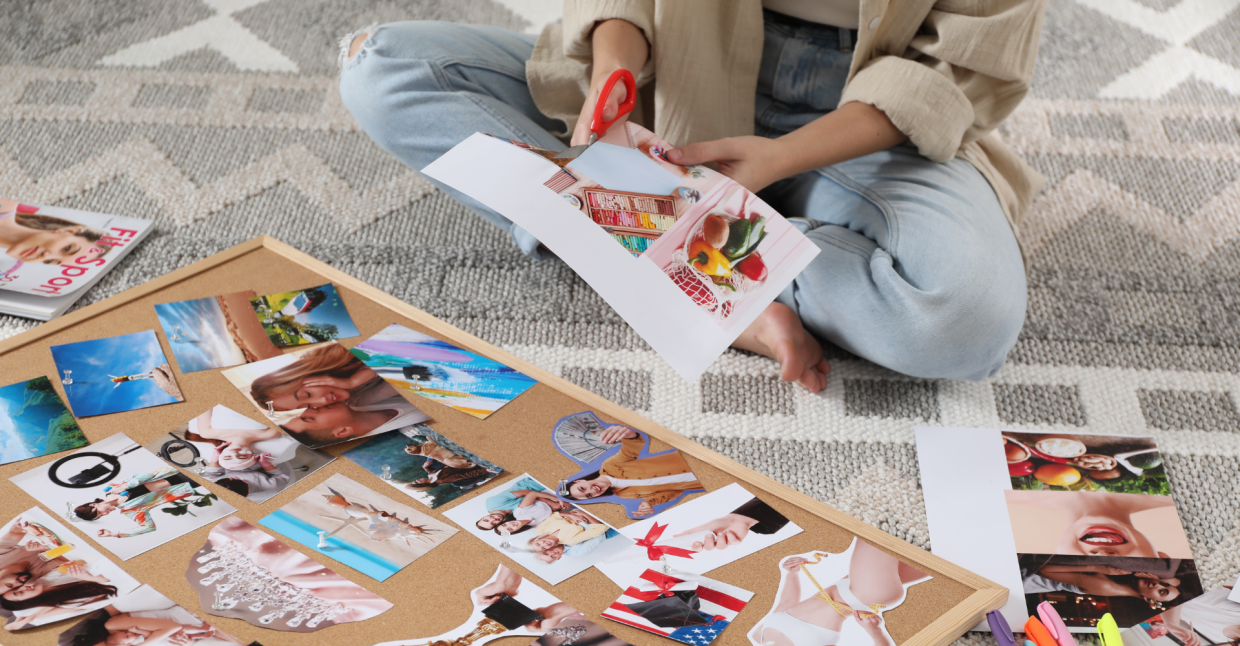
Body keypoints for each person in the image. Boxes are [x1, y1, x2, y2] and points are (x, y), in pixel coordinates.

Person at [338, 0, 1047, 392]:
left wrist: (780, 158)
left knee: (958, 324)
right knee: (385, 66)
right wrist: (616, 66)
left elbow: (961, 70)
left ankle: (657, 250)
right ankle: (703, 273)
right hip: (682, 85)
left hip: (871, 127)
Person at [753, 540, 928, 646]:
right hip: (865, 595)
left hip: (850, 583)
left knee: (937, 553)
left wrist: (791, 574)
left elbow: (785, 604)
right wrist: (875, 631)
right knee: (875, 529)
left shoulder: (757, 636)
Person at [558, 426, 701, 517]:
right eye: (589, 495)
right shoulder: (625, 494)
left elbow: (631, 448)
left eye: (582, 488)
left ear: (580, 480)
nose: (592, 490)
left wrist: (629, 434)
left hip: (694, 458)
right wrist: (649, 503)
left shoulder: (611, 466)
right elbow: (673, 492)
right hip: (701, 481)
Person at [1006, 489, 1180, 558]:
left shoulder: (1006, 494)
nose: (1103, 555)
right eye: (1130, 570)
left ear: (1055, 555)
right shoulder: (1179, 493)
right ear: (1161, 558)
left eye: (1086, 569)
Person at [249, 343, 390, 411]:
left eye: (308, 394)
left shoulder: (321, 357)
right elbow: (407, 375)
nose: (323, 401)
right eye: (309, 406)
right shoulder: (356, 401)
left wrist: (352, 380)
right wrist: (351, 383)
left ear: (303, 376)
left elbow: (388, 343)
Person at [71, 467, 199, 538]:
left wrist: (126, 486)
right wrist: (115, 534)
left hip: (175, 471)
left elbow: (146, 474)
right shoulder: (130, 510)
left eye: (99, 512)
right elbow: (149, 527)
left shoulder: (112, 487)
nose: (105, 514)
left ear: (93, 504)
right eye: (100, 516)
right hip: (185, 485)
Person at [2, 564, 118, 630]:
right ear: (29, 602)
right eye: (20, 593)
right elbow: (116, 586)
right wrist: (91, 578)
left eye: (18, 588)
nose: (23, 587)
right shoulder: (71, 602)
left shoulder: (43, 582)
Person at [0, 198, 114, 266]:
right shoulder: (5, 203)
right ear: (69, 230)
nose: (44, 256)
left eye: (50, 261)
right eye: (67, 248)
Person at [1020, 562, 1182, 609]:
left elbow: (1041, 569)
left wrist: (1095, 567)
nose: (1156, 584)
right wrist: (1164, 579)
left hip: (1023, 576)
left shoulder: (1107, 587)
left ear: (1149, 601)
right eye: (1162, 582)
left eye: (1161, 591)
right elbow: (1176, 581)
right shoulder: (1125, 584)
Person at [279, 397, 422, 447]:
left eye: (300, 415)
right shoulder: (411, 433)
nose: (308, 409)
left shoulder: (358, 399)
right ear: (343, 431)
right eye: (310, 418)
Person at [199, 441, 289, 499]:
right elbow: (280, 475)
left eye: (230, 478)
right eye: (242, 456)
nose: (234, 452)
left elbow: (212, 474)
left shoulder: (218, 485)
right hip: (267, 470)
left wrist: (215, 458)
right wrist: (265, 464)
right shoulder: (272, 487)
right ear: (249, 491)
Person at [1160, 584, 1240, 646]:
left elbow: (1170, 607)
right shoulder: (1237, 610)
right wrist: (1171, 624)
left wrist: (1174, 627)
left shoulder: (1219, 637)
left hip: (1161, 598)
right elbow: (1185, 591)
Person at [477, 476, 549, 531]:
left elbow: (526, 492)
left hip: (534, 483)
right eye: (493, 523)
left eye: (486, 520)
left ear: (483, 517)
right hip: (547, 492)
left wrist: (550, 502)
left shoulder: (492, 503)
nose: (494, 520)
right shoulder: (512, 518)